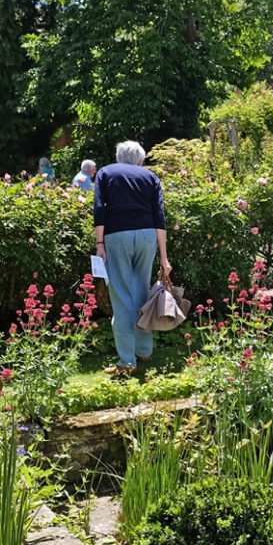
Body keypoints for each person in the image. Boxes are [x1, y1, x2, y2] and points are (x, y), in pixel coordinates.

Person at [93, 141, 171, 375]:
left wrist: (99, 244)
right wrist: (164, 258)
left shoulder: (106, 172)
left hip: (117, 236)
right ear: (139, 160)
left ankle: (126, 361)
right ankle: (144, 352)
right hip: (147, 235)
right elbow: (160, 216)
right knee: (142, 293)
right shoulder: (150, 177)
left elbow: (99, 209)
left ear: (119, 157)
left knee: (121, 297)